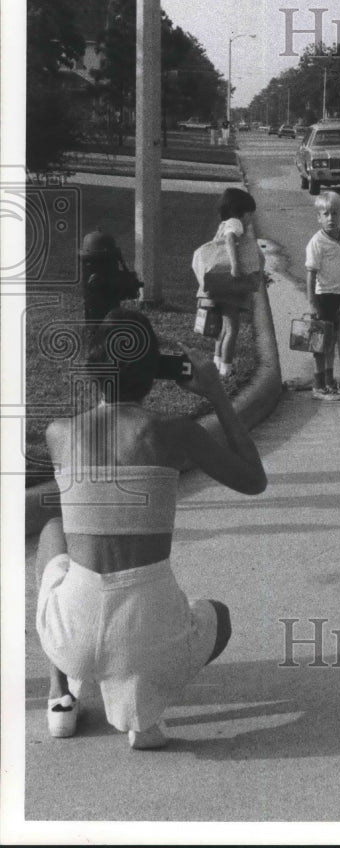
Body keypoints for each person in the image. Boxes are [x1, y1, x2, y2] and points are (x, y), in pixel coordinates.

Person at [35, 308, 267, 750]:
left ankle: (59, 694)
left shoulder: (58, 433)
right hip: (150, 634)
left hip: (72, 639)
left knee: (53, 530)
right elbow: (254, 480)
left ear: (93, 371)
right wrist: (216, 394)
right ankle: (143, 708)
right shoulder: (174, 433)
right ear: (155, 372)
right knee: (218, 615)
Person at [209, 187, 263, 378]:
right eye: (250, 214)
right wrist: (235, 265)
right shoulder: (235, 223)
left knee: (224, 328)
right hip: (230, 285)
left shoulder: (223, 223)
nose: (251, 220)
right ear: (240, 211)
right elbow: (231, 240)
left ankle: (217, 362)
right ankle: (226, 369)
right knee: (233, 328)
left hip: (219, 284)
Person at [305, 191, 340, 400]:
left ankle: (329, 379)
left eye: (335, 213)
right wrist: (312, 303)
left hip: (339, 296)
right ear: (318, 217)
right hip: (323, 297)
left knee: (332, 341)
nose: (330, 218)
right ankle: (318, 383)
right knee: (319, 343)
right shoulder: (317, 242)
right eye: (325, 214)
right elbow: (311, 273)